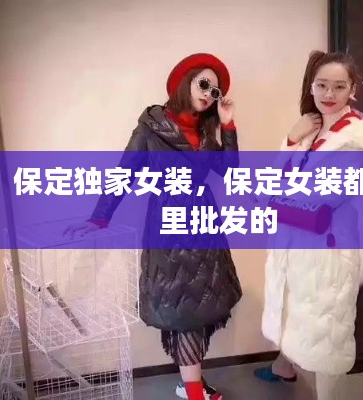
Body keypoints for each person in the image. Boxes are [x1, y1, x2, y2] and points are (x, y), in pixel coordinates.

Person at [65, 53, 242, 400]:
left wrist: (228, 125)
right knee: (185, 308)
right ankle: (194, 392)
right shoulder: (151, 126)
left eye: (215, 90)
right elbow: (125, 171)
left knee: (199, 307)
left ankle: (191, 383)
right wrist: (99, 217)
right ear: (185, 82)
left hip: (205, 224)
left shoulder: (206, 131)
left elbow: (230, 172)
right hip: (169, 225)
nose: (208, 94)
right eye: (203, 84)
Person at [253, 50, 363, 399]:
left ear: (352, 89)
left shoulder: (357, 140)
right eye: (322, 85)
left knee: (327, 330)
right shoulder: (310, 126)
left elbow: (316, 198)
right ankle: (284, 366)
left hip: (327, 246)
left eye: (339, 87)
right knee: (294, 307)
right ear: (311, 86)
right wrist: (290, 139)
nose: (329, 94)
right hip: (293, 239)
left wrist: (276, 196)